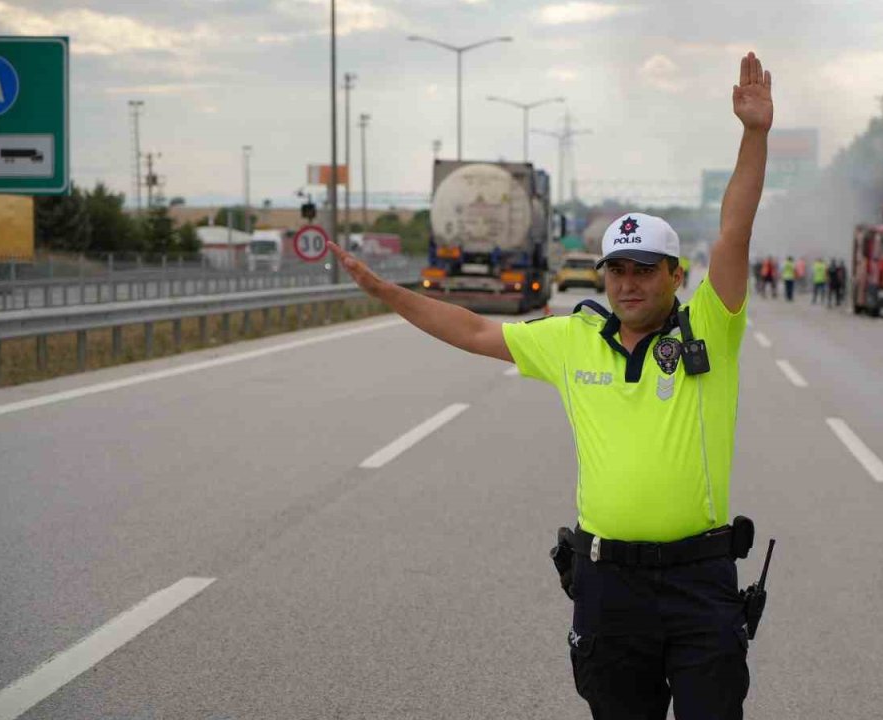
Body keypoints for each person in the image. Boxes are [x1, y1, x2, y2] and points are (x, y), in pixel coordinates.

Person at [329, 51, 773, 720]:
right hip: (607, 585)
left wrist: (754, 134)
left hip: (698, 583)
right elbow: (474, 332)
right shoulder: (572, 339)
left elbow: (734, 229)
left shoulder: (712, 325)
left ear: (675, 276)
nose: (627, 282)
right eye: (616, 269)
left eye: (644, 270)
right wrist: (386, 291)